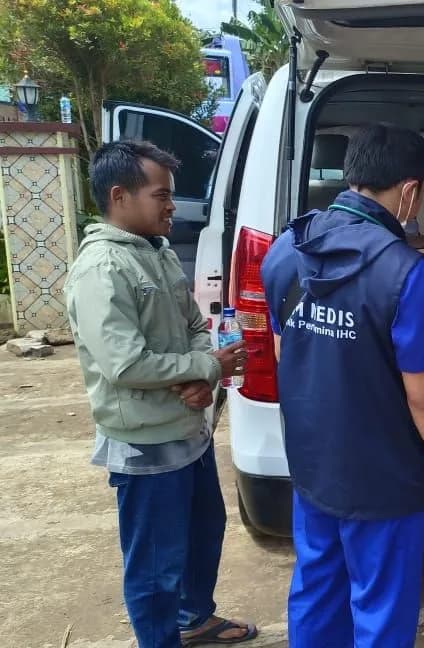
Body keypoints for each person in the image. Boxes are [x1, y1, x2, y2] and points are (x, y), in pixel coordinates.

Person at [260, 123, 424, 647]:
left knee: (317, 587)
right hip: (382, 472)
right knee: (379, 604)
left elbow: (286, 351)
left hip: (313, 460)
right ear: (409, 190)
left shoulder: (286, 247)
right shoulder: (407, 272)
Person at [65, 140, 256, 647]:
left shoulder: (158, 252)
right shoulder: (102, 268)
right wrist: (205, 366)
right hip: (145, 442)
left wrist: (202, 375)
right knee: (155, 564)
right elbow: (123, 362)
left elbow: (195, 323)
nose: (172, 205)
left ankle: (194, 619)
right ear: (119, 196)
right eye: (161, 195)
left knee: (201, 535)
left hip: (186, 430)